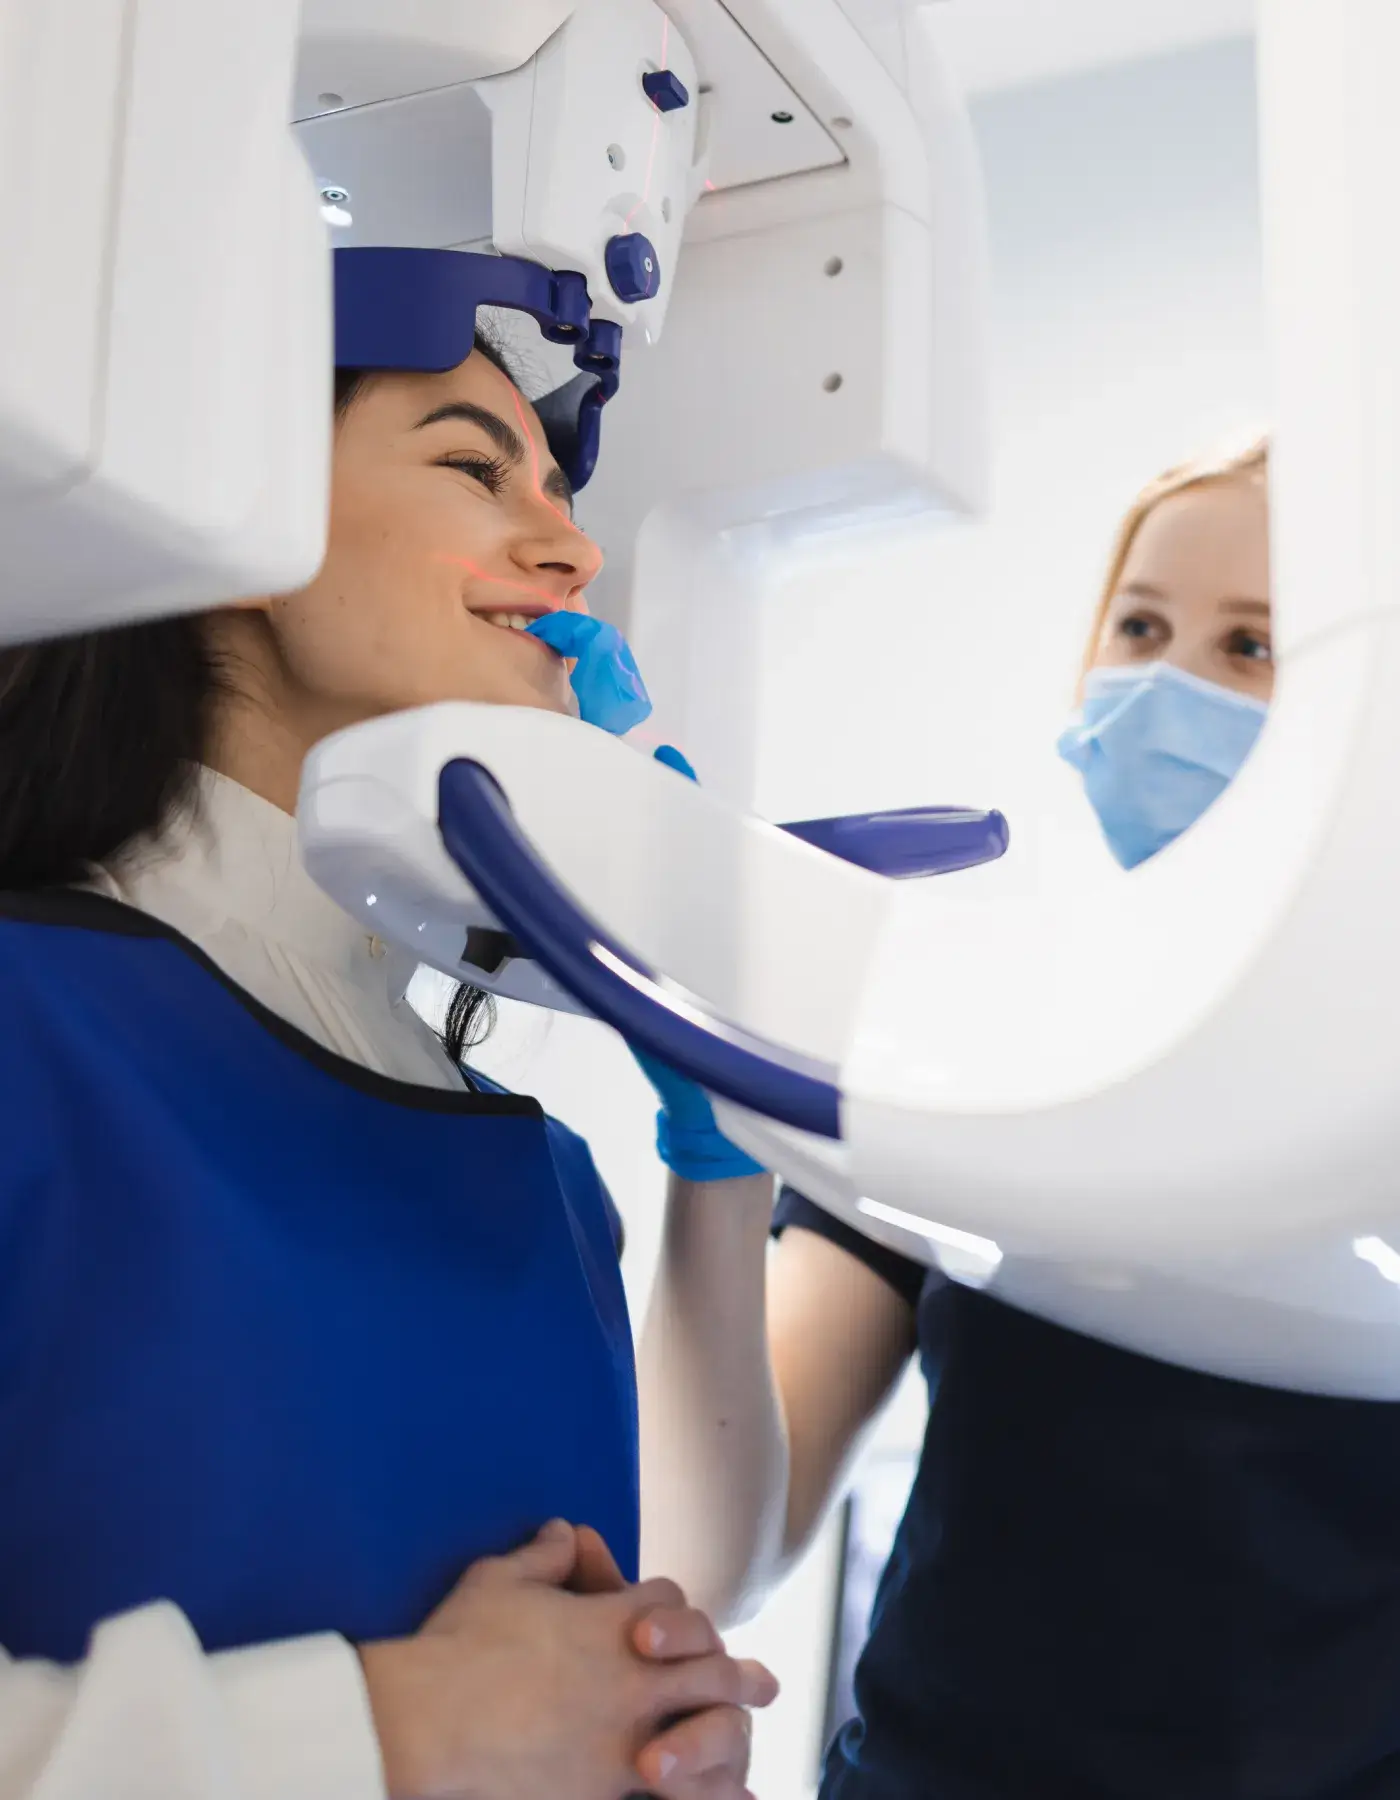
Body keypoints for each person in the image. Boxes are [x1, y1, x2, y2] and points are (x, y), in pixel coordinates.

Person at [0, 312, 776, 1800]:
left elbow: (685, 1571)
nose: (573, 559)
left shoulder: (544, 1178)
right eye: (477, 468)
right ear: (237, 515)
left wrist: (647, 1729)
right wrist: (399, 1732)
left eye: (562, 496)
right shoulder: (31, 1027)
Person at [638, 436, 1400, 1799]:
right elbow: (705, 1557)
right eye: (1143, 626)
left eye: (1253, 648)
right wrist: (730, 1145)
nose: (1165, 685)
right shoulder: (989, 1043)